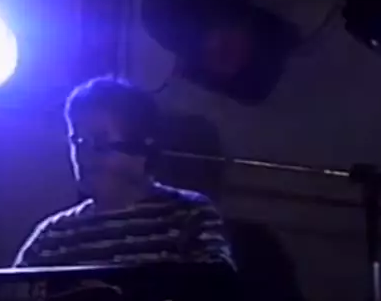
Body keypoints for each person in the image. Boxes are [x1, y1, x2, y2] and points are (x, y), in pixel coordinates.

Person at [13, 76, 235, 270]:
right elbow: (9, 300)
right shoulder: (53, 236)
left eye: (100, 140)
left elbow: (215, 291)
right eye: (78, 141)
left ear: (141, 145)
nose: (85, 154)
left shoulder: (189, 215)